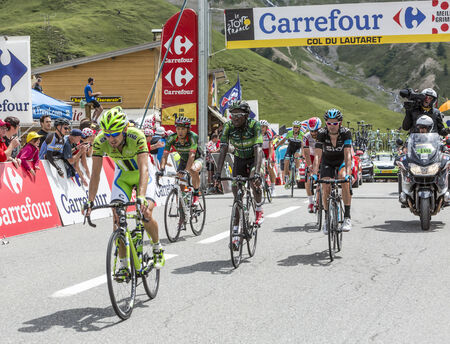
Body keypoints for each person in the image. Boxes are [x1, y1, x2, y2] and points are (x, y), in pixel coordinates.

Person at [83, 106, 165, 270]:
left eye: (115, 134)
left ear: (125, 129)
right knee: (117, 218)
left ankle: (157, 248)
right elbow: (96, 174)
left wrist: (141, 196)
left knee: (145, 213)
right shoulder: (100, 141)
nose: (111, 139)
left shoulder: (137, 136)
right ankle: (123, 264)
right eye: (107, 134)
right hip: (123, 178)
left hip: (143, 176)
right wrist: (90, 201)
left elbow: (144, 169)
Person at [214, 100, 264, 241]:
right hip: (240, 159)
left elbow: (258, 148)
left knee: (255, 181)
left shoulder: (254, 125)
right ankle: (236, 232)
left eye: (239, 114)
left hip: (254, 158)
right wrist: (218, 173)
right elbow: (223, 149)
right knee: (237, 197)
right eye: (232, 114)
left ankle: (259, 209)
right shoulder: (229, 126)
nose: (235, 118)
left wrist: (257, 173)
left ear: (246, 115)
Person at [312, 109, 353, 233]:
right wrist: (314, 174)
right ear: (326, 123)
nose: (332, 126)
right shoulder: (322, 133)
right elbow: (317, 156)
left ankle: (347, 217)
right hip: (327, 162)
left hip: (341, 161)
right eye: (329, 123)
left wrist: (349, 174)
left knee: (344, 178)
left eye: (335, 123)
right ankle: (327, 219)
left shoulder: (345, 133)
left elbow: (348, 155)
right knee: (325, 185)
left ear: (340, 123)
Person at [157, 116, 203, 208]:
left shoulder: (193, 137)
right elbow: (165, 155)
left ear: (188, 129)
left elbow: (192, 155)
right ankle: (182, 208)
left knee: (193, 170)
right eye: (178, 129)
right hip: (184, 160)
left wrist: (186, 170)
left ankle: (196, 195)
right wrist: (161, 169)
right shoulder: (171, 138)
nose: (180, 131)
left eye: (183, 129)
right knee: (179, 182)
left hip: (196, 158)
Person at [275, 120, 304, 188]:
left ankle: (297, 171)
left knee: (296, 156)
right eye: (294, 127)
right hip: (290, 148)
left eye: (297, 127)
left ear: (299, 128)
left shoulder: (302, 134)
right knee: (286, 160)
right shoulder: (290, 133)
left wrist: (302, 154)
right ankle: (287, 177)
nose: (295, 128)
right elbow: (283, 140)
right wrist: (276, 146)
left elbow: (302, 145)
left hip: (298, 148)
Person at [302, 117, 322, 213]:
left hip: (322, 156)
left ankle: (319, 197)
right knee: (308, 178)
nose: (313, 133)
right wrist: (310, 166)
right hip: (311, 156)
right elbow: (306, 153)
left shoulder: (323, 135)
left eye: (315, 131)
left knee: (322, 177)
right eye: (311, 131)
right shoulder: (306, 137)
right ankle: (310, 202)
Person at [260, 120, 276, 196]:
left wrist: (270, 157)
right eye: (261, 127)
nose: (262, 128)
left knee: (270, 167)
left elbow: (271, 146)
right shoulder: (257, 133)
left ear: (266, 127)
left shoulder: (269, 133)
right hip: (261, 149)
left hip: (268, 150)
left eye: (263, 127)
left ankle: (273, 188)